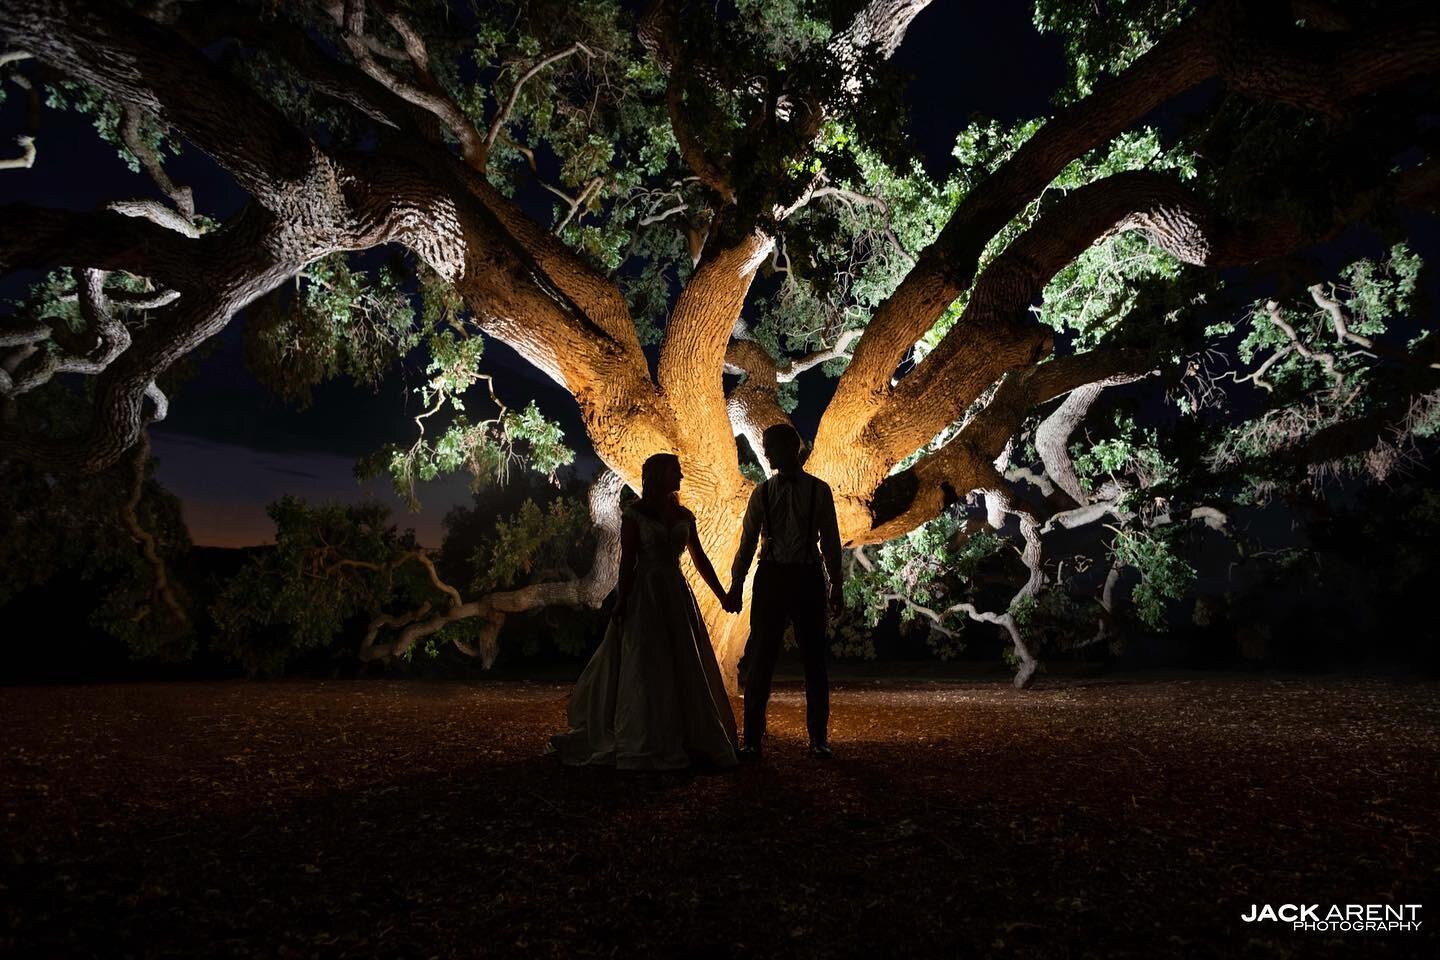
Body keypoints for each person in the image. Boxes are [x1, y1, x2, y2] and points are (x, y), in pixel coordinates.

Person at [548, 453, 740, 770]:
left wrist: (722, 596)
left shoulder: (684, 515)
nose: (679, 475)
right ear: (657, 476)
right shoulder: (634, 515)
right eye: (674, 471)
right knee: (648, 662)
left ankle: (687, 734)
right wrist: (623, 600)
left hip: (676, 594)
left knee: (682, 661)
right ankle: (646, 733)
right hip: (646, 594)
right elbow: (628, 563)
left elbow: (700, 559)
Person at [727, 423, 843, 761]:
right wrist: (736, 584)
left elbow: (831, 540)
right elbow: (747, 542)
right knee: (761, 659)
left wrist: (836, 584)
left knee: (814, 662)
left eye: (771, 447)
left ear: (792, 449)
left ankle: (818, 738)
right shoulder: (761, 493)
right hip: (772, 577)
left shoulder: (820, 491)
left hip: (808, 576)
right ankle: (751, 739)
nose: (765, 453)